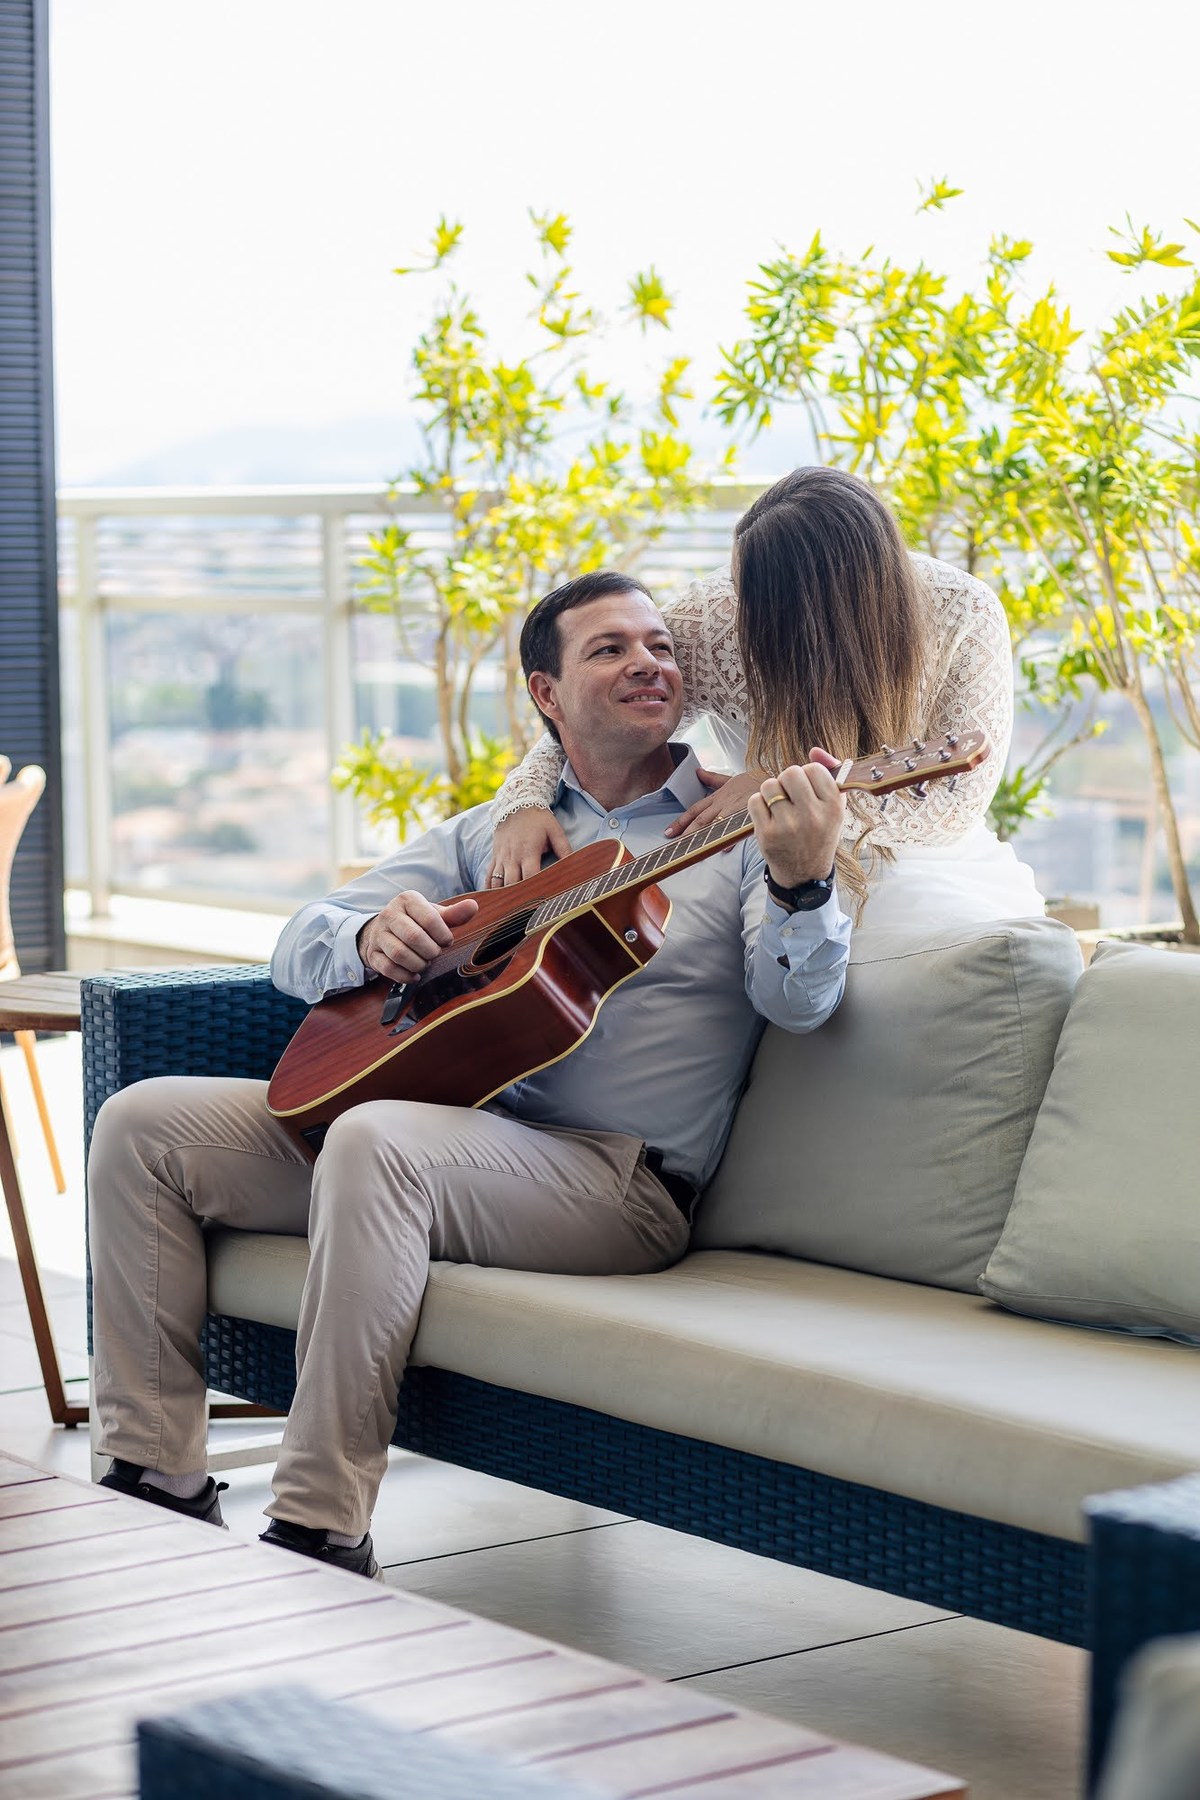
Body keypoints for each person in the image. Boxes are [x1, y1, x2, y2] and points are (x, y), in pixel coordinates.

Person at [88, 570, 851, 1580]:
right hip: (449, 1148)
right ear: (546, 695)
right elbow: (295, 943)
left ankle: (318, 1530)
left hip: (615, 1184)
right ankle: (152, 1484)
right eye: (610, 648)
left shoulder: (738, 826)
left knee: (374, 1139)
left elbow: (799, 1004)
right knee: (144, 1126)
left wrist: (806, 881)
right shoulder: (493, 835)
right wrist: (368, 937)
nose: (649, 664)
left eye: (661, 646)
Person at [490, 467, 1044, 934]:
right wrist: (524, 800)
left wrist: (779, 788)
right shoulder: (716, 609)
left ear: (811, 608)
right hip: (756, 859)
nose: (736, 605)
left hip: (920, 865)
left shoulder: (963, 613)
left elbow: (952, 807)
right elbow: (600, 718)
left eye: (752, 595)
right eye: (735, 583)